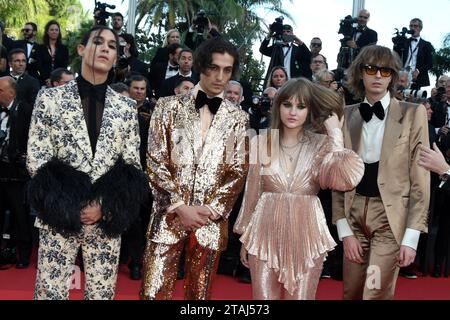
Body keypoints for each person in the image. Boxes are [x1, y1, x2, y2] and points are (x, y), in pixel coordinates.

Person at [26, 25, 149, 300]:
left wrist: (102, 205)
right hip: (59, 217)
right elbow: (37, 159)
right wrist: (72, 204)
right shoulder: (49, 98)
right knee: (51, 294)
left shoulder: (126, 108)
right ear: (82, 49)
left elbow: (131, 166)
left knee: (101, 295)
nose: (106, 48)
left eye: (112, 45)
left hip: (105, 220)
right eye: (98, 42)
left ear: (116, 58)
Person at [234, 78, 363, 299]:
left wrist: (335, 133)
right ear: (278, 106)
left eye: (301, 106)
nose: (293, 112)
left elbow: (343, 179)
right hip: (264, 231)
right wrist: (245, 235)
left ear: (309, 110)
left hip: (308, 233)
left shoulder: (322, 144)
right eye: (287, 104)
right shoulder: (260, 141)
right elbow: (252, 192)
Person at [140, 37, 249, 300]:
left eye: (227, 70)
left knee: (199, 298)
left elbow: (237, 171)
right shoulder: (166, 107)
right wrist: (179, 207)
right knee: (154, 293)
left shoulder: (239, 119)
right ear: (201, 66)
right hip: (168, 216)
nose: (220, 76)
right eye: (214, 68)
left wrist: (210, 210)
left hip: (209, 221)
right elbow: (155, 162)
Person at [332, 45, 430, 300]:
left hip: (390, 219)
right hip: (353, 215)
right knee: (351, 292)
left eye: (385, 71)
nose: (377, 75)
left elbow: (421, 178)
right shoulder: (347, 115)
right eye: (371, 69)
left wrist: (411, 237)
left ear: (393, 76)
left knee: (374, 291)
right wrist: (344, 230)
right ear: (359, 73)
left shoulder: (412, 113)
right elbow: (338, 175)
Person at [0, 76, 33, 269]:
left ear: (11, 92)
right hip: (0, 170)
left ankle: (24, 254)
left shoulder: (25, 110)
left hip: (17, 174)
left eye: (0, 90)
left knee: (20, 216)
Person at [394, 18, 434, 90]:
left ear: (420, 28)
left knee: (412, 97)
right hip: (402, 75)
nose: (412, 28)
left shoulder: (426, 45)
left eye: (415, 26)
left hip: (417, 78)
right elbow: (396, 56)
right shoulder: (404, 41)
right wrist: (396, 44)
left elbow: (429, 64)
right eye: (411, 26)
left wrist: (418, 71)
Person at [36, 20, 69, 86]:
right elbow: (39, 66)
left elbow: (64, 66)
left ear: (59, 32)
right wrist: (47, 79)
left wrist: (55, 80)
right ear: (47, 32)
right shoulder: (40, 48)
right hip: (43, 82)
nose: (54, 32)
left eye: (56, 30)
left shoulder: (64, 49)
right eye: (52, 30)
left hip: (59, 82)